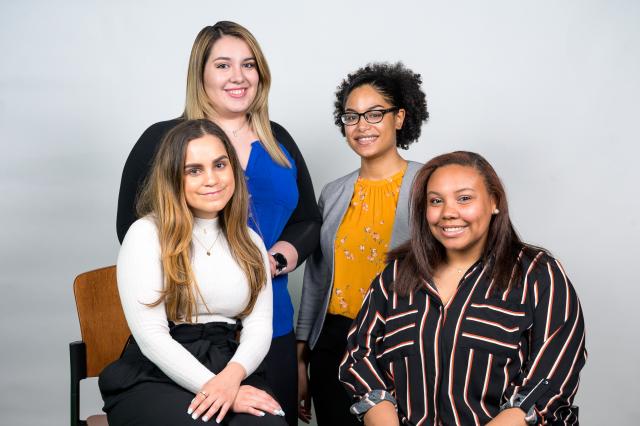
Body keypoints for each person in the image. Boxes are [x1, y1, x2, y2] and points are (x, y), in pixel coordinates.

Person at [115, 22, 320, 425]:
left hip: (267, 314)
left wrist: (268, 260)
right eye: (223, 65)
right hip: (183, 319)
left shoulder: (278, 141)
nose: (238, 76)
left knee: (269, 416)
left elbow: (308, 219)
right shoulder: (162, 141)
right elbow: (133, 229)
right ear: (201, 74)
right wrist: (203, 277)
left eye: (248, 64)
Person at [339, 151, 587, 426]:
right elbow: (360, 356)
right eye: (436, 201)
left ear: (494, 201)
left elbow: (549, 382)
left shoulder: (537, 275)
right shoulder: (396, 277)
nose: (448, 212)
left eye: (464, 198)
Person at [99, 119, 287, 425]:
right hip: (157, 370)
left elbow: (259, 328)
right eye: (194, 170)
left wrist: (231, 380)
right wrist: (221, 391)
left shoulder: (250, 241)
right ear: (174, 177)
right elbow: (151, 337)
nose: (212, 179)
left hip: (230, 363)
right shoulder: (146, 233)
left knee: (269, 423)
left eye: (220, 165)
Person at [296, 62, 429, 425]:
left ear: (399, 118)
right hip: (335, 342)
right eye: (351, 116)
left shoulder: (428, 183)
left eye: (374, 114)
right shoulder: (333, 192)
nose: (361, 126)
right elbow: (317, 277)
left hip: (403, 339)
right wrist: (302, 353)